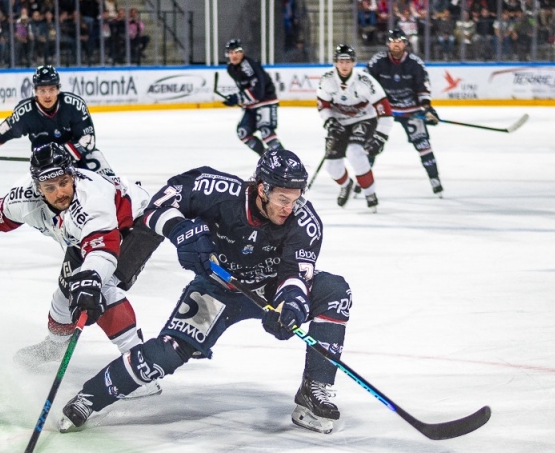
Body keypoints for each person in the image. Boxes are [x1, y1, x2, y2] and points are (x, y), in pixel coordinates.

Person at [58, 149, 352, 435]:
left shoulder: (304, 221)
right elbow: (157, 207)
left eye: (295, 199)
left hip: (270, 290)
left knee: (334, 291)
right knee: (166, 354)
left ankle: (313, 390)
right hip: (217, 288)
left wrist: (292, 307)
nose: (289, 207)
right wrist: (180, 229)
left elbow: (295, 274)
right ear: (262, 189)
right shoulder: (217, 190)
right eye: (282, 199)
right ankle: (90, 398)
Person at [0, 143, 162, 397]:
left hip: (137, 221)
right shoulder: (25, 199)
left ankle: (141, 368)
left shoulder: (92, 200)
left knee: (101, 288)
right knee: (65, 295)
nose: (60, 193)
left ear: (72, 175)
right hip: (84, 237)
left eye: (64, 182)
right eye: (49, 187)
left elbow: (103, 250)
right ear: (37, 188)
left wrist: (91, 279)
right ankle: (55, 346)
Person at [0, 65, 113, 177]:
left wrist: (62, 154)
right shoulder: (25, 112)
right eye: (42, 90)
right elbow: (5, 131)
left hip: (79, 158)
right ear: (35, 91)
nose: (47, 95)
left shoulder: (73, 105)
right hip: (45, 164)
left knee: (106, 177)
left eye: (51, 89)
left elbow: (88, 140)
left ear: (58, 90)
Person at [367, 28, 444, 197]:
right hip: (385, 111)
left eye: (400, 41)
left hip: (411, 110)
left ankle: (435, 179)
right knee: (373, 145)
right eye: (393, 41)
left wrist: (428, 108)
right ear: (388, 43)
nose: (396, 44)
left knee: (423, 145)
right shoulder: (377, 62)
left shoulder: (415, 63)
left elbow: (423, 88)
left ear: (405, 44)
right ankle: (363, 181)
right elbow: (367, 85)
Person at [317, 44, 392, 212]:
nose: (344, 65)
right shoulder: (327, 80)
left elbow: (385, 112)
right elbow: (323, 105)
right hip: (339, 124)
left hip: (363, 120)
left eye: (348, 61)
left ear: (354, 63)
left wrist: (381, 137)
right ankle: (346, 185)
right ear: (335, 62)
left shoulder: (365, 82)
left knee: (355, 152)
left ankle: (370, 193)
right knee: (331, 167)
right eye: (341, 61)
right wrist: (329, 121)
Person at [222, 38, 284, 156]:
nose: (233, 55)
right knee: (243, 132)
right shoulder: (231, 68)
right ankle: (266, 158)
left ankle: (285, 162)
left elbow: (258, 92)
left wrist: (238, 98)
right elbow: (246, 89)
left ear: (242, 52)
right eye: (231, 53)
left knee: (266, 131)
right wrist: (237, 98)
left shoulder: (248, 65)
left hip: (265, 101)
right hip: (251, 106)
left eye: (236, 52)